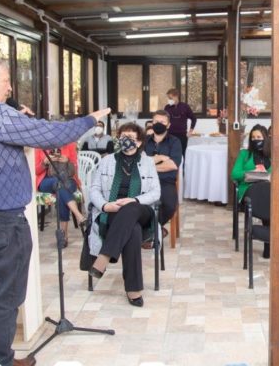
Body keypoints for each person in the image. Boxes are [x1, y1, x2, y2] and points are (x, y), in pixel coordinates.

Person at [0, 55, 110, 366]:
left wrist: (16, 120)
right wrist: (90, 120)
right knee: (5, 298)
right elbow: (52, 135)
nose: (9, 88)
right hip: (1, 222)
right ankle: (1, 361)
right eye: (6, 81)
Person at [87, 123, 161, 307]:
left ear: (139, 142)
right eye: (123, 137)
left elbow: (156, 192)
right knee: (133, 231)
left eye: (131, 138)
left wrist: (134, 200)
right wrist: (105, 206)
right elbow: (94, 189)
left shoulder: (148, 162)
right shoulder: (107, 161)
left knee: (131, 208)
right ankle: (133, 290)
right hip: (113, 211)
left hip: (141, 209)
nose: (126, 141)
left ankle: (104, 257)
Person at [35, 142, 85, 247]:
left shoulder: (70, 144)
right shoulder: (40, 146)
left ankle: (63, 236)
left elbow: (74, 168)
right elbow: (36, 170)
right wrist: (45, 162)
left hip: (68, 179)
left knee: (60, 188)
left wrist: (68, 160)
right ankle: (79, 216)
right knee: (59, 184)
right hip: (47, 181)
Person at [143, 110, 182, 227]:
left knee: (169, 206)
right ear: (152, 123)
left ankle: (154, 228)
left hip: (165, 182)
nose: (159, 124)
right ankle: (150, 229)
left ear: (168, 125)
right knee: (134, 204)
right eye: (156, 121)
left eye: (162, 122)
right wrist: (159, 158)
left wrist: (148, 164)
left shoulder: (175, 142)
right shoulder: (144, 141)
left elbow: (173, 165)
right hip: (144, 180)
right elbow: (138, 162)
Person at [231, 125, 272, 203]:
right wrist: (252, 172)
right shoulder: (244, 154)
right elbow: (234, 174)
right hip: (248, 190)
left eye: (258, 137)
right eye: (253, 137)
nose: (255, 140)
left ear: (265, 139)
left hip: (268, 190)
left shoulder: (272, 156)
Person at [164, 88, 196, 155]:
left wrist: (190, 131)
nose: (169, 100)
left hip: (182, 136)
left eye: (170, 98)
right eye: (168, 98)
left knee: (182, 154)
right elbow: (164, 120)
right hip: (169, 135)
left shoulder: (185, 106)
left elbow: (193, 118)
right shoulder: (167, 107)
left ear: (176, 96)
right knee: (169, 154)